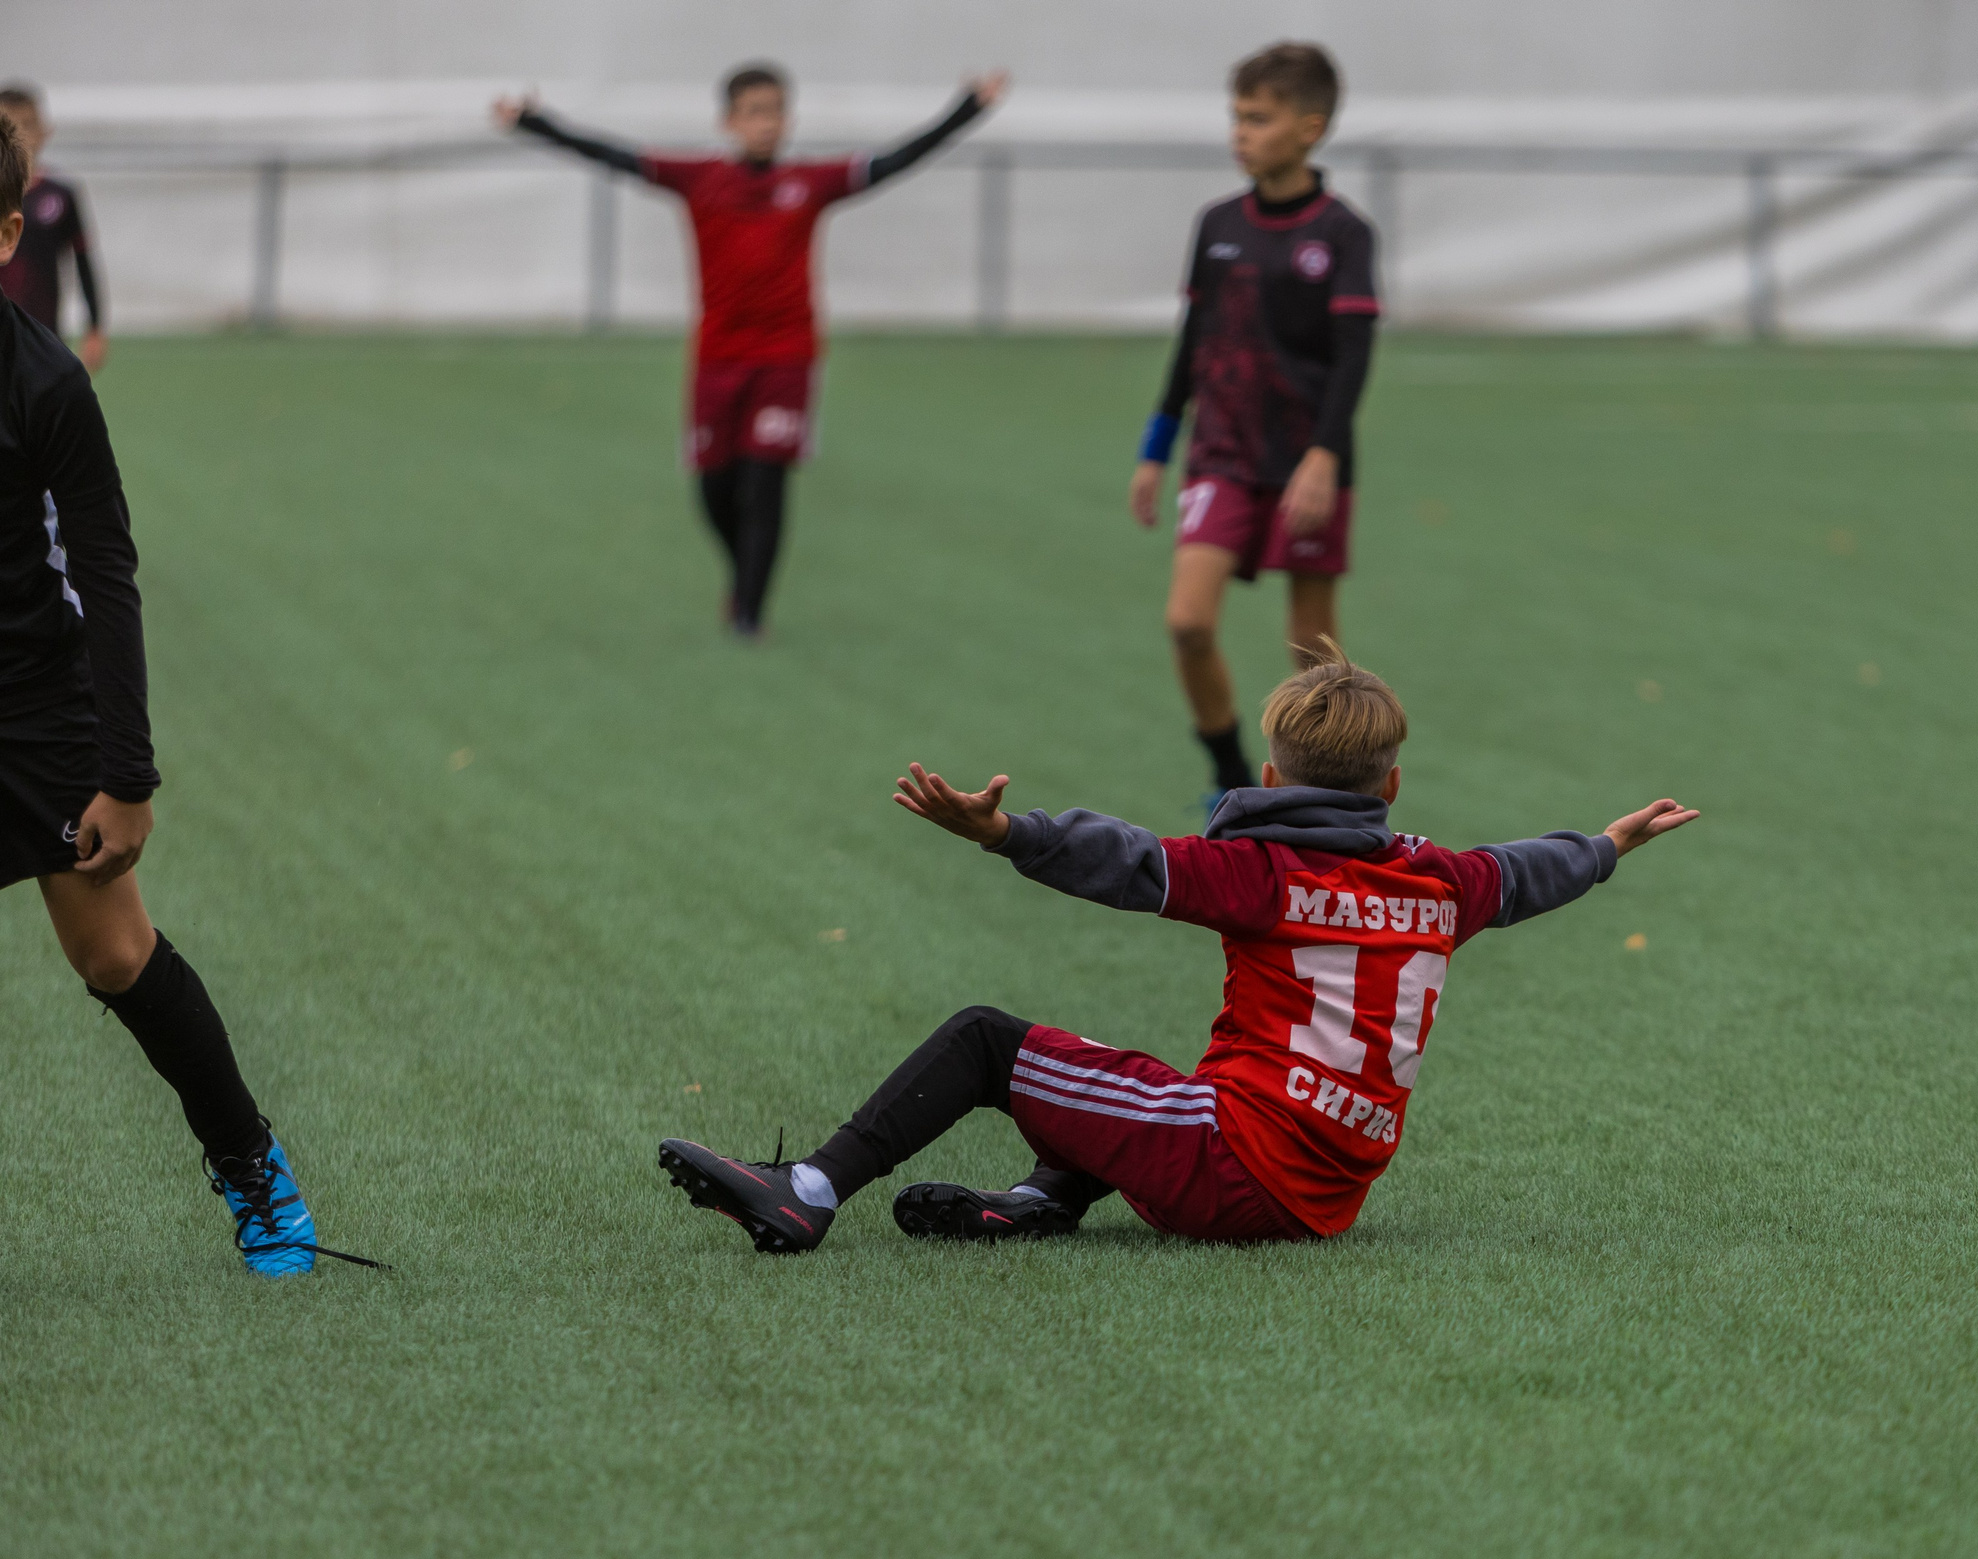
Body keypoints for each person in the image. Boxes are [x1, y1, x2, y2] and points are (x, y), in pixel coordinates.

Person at [657, 640, 1694, 1248]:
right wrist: (1606, 844)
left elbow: (1127, 861)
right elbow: (1527, 874)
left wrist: (1001, 831)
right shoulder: (1441, 882)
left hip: (1238, 1168)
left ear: (1271, 782)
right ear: (1389, 788)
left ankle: (809, 1194)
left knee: (989, 1044)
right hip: (1326, 1194)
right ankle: (1036, 1202)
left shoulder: (1262, 874)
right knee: (1120, 1074)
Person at [0, 115, 370, 1274]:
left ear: (9, 231)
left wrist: (129, 775)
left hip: (33, 701)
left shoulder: (45, 382)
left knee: (115, 958)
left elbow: (105, 575)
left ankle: (252, 1167)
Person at [497, 64, 1005, 637]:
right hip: (717, 358)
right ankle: (745, 574)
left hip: (787, 355)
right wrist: (536, 124)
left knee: (765, 481)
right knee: (714, 488)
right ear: (729, 121)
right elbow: (614, 156)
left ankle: (748, 616)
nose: (769, 124)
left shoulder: (811, 183)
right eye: (756, 112)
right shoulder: (697, 180)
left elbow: (894, 161)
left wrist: (967, 109)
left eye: (778, 111)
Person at [1128, 43, 1380, 809]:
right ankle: (1232, 776)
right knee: (1187, 621)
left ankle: (1318, 797)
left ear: (1310, 128)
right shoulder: (1217, 224)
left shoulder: (1342, 233)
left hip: (1306, 463)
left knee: (1313, 653)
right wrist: (1155, 448)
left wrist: (1324, 455)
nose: (1241, 132)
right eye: (1237, 116)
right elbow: (1192, 342)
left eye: (1259, 118)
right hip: (1221, 455)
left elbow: (1352, 356)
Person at [0, 85, 107, 373]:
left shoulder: (61, 195)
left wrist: (95, 326)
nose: (21, 135)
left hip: (44, 334)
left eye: (29, 124)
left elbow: (84, 261)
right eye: (11, 126)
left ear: (46, 131)